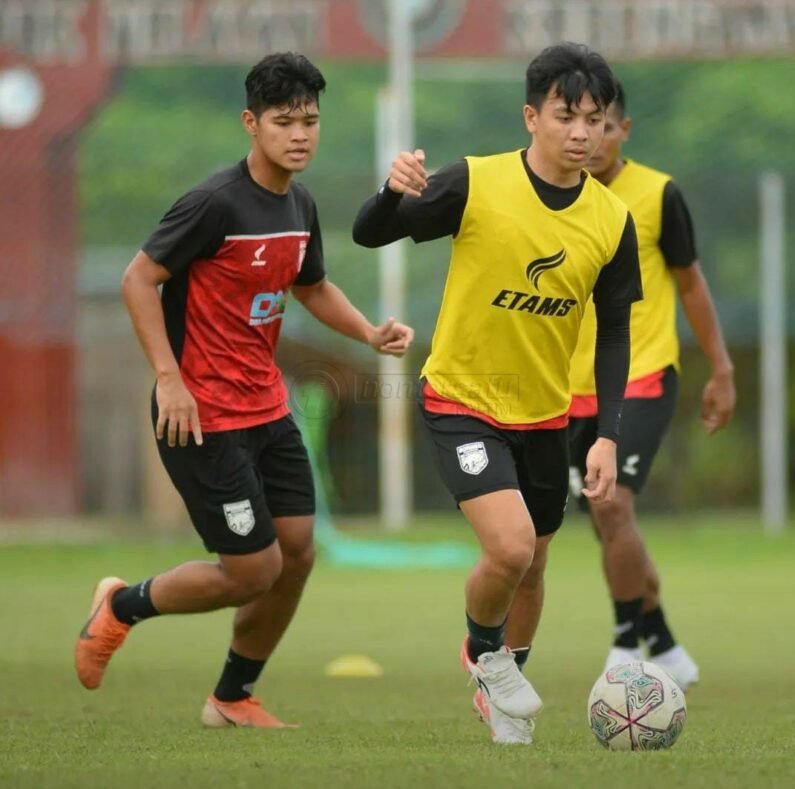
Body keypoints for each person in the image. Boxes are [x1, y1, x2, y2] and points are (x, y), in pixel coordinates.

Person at [74, 52, 413, 728]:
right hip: (201, 414)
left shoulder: (300, 202)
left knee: (299, 551)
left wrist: (368, 333)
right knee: (252, 570)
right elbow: (139, 280)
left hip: (267, 407)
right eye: (284, 121)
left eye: (311, 121)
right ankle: (120, 606)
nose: (300, 134)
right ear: (250, 123)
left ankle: (232, 696)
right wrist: (169, 379)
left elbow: (311, 285)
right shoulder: (213, 202)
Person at [353, 43, 642, 745]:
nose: (581, 132)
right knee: (510, 548)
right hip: (461, 399)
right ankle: (485, 654)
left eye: (595, 119)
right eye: (565, 115)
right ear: (531, 117)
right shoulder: (475, 184)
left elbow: (611, 335)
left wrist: (605, 431)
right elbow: (370, 233)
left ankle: (502, 693)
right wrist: (393, 191)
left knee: (535, 564)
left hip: (544, 413)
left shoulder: (611, 220)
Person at [567, 80, 736, 690]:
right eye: (582, 123)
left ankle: (625, 645)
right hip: (565, 387)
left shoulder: (659, 194)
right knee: (607, 522)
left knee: (614, 507)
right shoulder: (554, 194)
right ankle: (661, 637)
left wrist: (721, 367)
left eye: (605, 125)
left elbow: (691, 283)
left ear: (624, 130)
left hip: (642, 375)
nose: (593, 137)